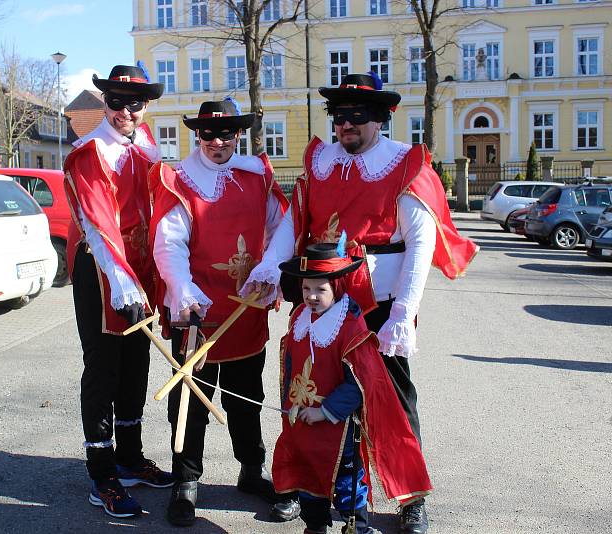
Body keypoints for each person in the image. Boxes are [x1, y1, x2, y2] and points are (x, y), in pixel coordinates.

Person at [243, 72, 478, 534]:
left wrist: (403, 314)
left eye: (357, 118)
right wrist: (271, 265)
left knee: (389, 401)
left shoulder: (405, 166)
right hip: (320, 300)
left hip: (377, 308)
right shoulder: (319, 163)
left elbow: (421, 244)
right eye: (339, 117)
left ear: (380, 120)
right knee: (303, 390)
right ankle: (300, 485)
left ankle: (411, 496)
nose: (345, 126)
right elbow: (294, 222)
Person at [148, 99, 289, 527]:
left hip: (246, 307)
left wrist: (271, 271)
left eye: (226, 134)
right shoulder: (179, 180)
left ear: (238, 136)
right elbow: (168, 243)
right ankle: (186, 480)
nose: (217, 142)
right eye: (209, 134)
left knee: (247, 398)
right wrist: (183, 291)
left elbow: (282, 226)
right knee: (188, 399)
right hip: (196, 310)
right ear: (198, 136)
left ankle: (251, 470)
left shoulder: (256, 175)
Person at [62, 64, 173, 519]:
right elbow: (96, 222)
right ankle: (102, 475)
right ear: (104, 102)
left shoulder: (146, 145)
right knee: (103, 367)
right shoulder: (90, 152)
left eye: (136, 103)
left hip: (139, 268)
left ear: (146, 105)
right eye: (117, 102)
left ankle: (129, 458)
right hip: (104, 269)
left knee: (136, 365)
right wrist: (122, 282)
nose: (126, 111)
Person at [272, 240, 431, 534]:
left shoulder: (349, 326)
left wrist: (326, 412)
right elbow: (291, 367)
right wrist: (289, 402)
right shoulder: (298, 319)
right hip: (301, 424)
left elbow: (359, 383)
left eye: (320, 289)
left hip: (338, 428)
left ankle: (357, 527)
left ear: (338, 286)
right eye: (306, 288)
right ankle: (315, 525)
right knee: (307, 477)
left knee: (345, 484)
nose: (311, 296)